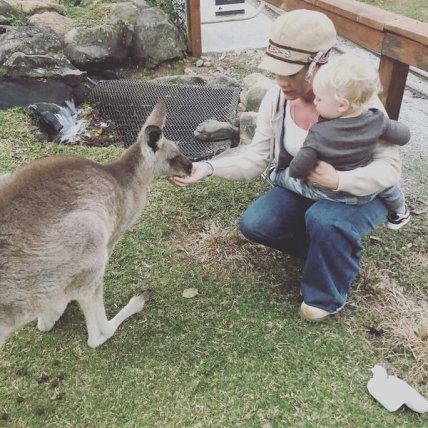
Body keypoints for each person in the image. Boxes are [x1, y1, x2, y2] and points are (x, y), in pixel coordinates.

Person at [170, 10, 403, 322]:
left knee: (324, 220)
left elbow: (390, 169)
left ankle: (326, 296)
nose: (281, 81)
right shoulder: (277, 99)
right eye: (276, 70)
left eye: (290, 72)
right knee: (256, 223)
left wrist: (338, 180)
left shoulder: (357, 102)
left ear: (320, 62)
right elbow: (256, 157)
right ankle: (331, 252)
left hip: (361, 193)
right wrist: (209, 168)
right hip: (306, 185)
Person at [272, 52, 411, 230]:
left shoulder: (319, 133)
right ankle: (400, 211)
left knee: (287, 178)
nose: (315, 102)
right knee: (388, 186)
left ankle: (273, 176)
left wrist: (288, 173)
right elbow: (404, 136)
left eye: (319, 98)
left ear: (342, 105)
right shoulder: (377, 120)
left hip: (331, 192)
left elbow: (298, 169)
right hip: (365, 192)